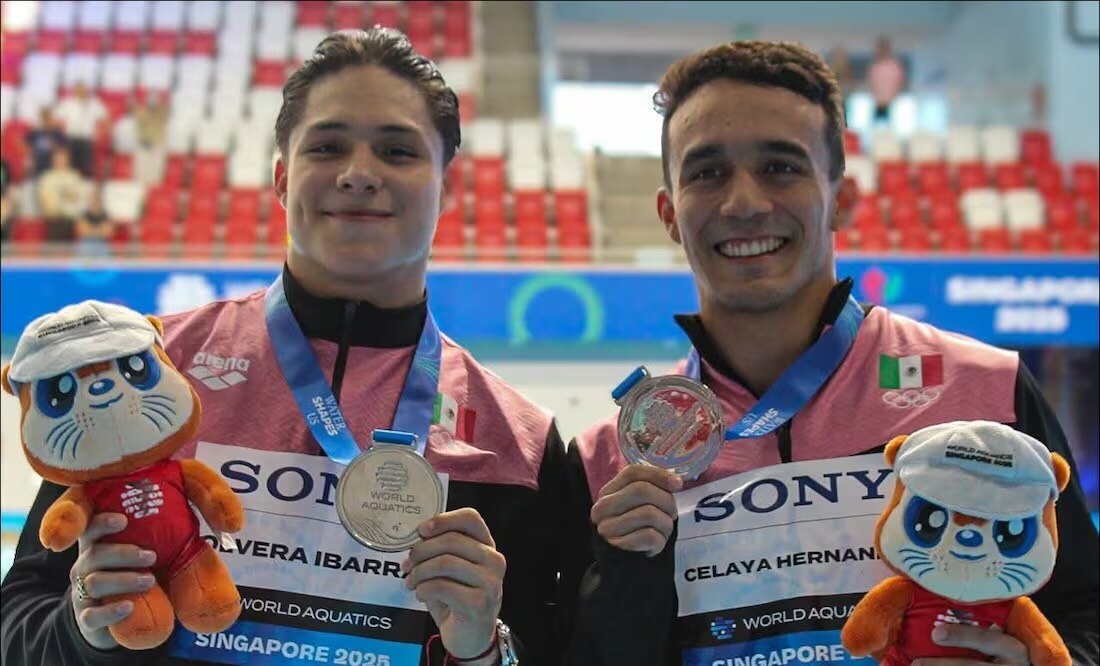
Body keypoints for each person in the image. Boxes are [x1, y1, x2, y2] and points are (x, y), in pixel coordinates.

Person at [1, 28, 581, 666]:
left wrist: (482, 651)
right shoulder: (152, 371)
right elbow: (20, 622)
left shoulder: (517, 446)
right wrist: (85, 628)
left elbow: (549, 645)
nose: (360, 174)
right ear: (282, 178)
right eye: (328, 147)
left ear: (447, 185)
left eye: (397, 150)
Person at [565, 40, 1099, 666]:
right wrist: (627, 578)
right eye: (707, 172)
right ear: (669, 213)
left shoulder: (983, 392)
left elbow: (1085, 612)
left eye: (781, 167)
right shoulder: (612, 461)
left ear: (842, 198)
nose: (743, 202)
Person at [53, 82, 109, 178]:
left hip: (87, 139)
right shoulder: (67, 103)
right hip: (71, 138)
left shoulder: (95, 104)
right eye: (79, 90)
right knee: (71, 166)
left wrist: (100, 133)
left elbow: (105, 119)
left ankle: (86, 188)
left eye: (83, 90)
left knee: (87, 167)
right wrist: (61, 132)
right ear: (75, 91)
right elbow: (56, 119)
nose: (81, 92)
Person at [36, 147, 88, 245]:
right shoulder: (47, 178)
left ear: (67, 160)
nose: (60, 161)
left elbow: (78, 198)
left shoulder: (74, 176)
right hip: (52, 220)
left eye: (63, 159)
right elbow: (43, 199)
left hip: (70, 221)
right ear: (53, 160)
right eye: (58, 159)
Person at [867, 36, 905, 123]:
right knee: (876, 128)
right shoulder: (874, 67)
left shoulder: (895, 67)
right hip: (878, 104)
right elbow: (871, 84)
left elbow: (900, 83)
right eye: (879, 49)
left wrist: (892, 98)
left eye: (882, 49)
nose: (880, 52)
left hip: (893, 105)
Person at [73, 186, 114, 258]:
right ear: (89, 201)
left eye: (97, 199)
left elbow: (108, 233)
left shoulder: (106, 215)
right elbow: (83, 232)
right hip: (86, 244)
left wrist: (90, 230)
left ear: (101, 201)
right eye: (93, 199)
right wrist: (100, 230)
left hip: (102, 244)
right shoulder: (83, 215)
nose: (95, 201)